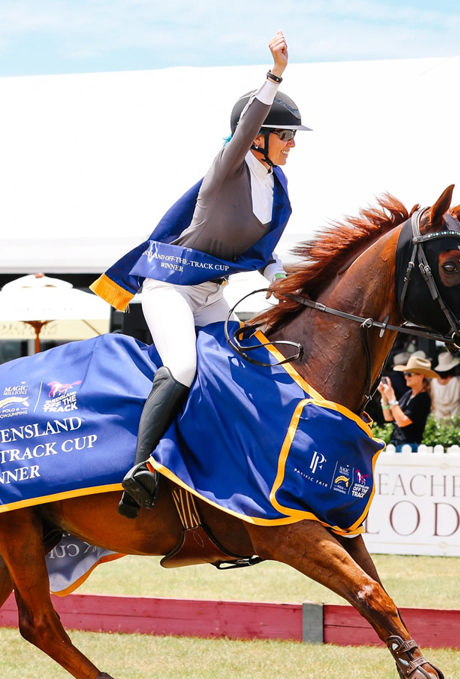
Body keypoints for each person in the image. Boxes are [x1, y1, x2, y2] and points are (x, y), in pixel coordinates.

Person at [91, 32, 311, 517]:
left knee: (244, 363)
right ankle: (140, 468)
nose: (293, 144)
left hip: (212, 294)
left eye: (294, 137)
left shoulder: (277, 186)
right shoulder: (227, 168)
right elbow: (249, 120)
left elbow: (260, 250)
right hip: (170, 289)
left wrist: (281, 274)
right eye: (286, 135)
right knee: (186, 368)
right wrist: (275, 75)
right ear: (258, 138)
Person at [377, 353, 440, 451]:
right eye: (405, 374)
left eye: (409, 374)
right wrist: (384, 395)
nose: (406, 377)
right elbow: (388, 417)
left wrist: (392, 397)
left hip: (409, 447)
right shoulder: (409, 394)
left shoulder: (423, 398)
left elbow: (403, 422)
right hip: (397, 445)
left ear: (421, 376)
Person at [430, 351, 460, 420]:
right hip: (456, 418)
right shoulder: (457, 382)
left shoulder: (433, 382)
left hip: (438, 419)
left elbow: (432, 401)